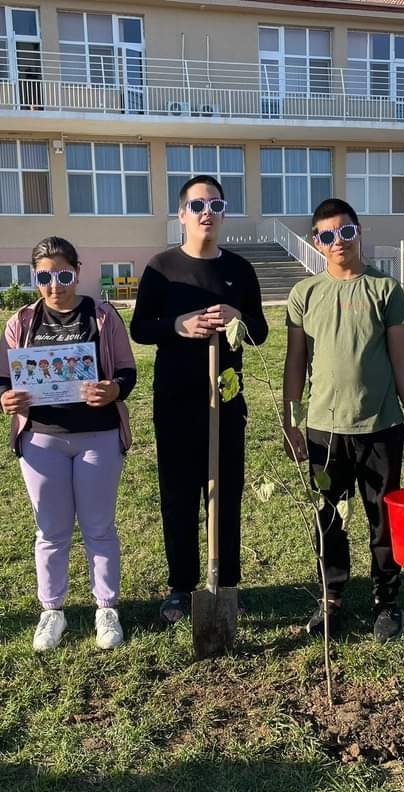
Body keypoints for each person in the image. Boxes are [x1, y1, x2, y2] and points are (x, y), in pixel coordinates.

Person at [283, 198, 404, 642]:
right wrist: (291, 421)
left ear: (359, 231)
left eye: (346, 231)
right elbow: (295, 362)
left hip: (380, 426)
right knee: (329, 518)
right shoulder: (304, 294)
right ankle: (331, 599)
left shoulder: (385, 289)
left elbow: (402, 361)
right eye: (327, 235)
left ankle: (386, 601)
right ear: (316, 242)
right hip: (323, 432)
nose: (338, 241)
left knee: (383, 519)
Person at [130, 175, 268, 625]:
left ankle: (226, 584)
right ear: (182, 214)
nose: (207, 212)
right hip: (176, 400)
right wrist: (178, 325)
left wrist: (238, 316)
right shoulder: (162, 268)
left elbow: (260, 331)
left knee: (225, 494)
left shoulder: (240, 271)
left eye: (216, 205)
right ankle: (181, 586)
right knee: (179, 495)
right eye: (197, 205)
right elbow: (140, 328)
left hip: (226, 400)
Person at [0, 237, 137, 651]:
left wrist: (113, 390)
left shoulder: (103, 316)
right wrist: (5, 400)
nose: (54, 285)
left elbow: (127, 372)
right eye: (44, 277)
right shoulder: (21, 322)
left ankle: (106, 608)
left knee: (99, 528)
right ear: (34, 278)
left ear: (78, 271)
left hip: (98, 437)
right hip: (42, 441)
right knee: (50, 531)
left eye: (63, 275)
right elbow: (3, 382)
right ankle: (52, 611)